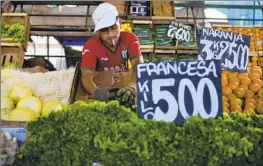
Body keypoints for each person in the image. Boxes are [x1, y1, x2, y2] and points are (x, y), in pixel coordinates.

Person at [80, 3, 144, 105]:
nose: (110, 34)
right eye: (104, 30)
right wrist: (96, 92)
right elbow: (86, 75)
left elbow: (138, 65)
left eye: (114, 27)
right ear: (98, 32)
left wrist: (132, 87)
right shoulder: (90, 45)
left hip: (126, 86)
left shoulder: (130, 38)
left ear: (120, 22)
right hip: (102, 90)